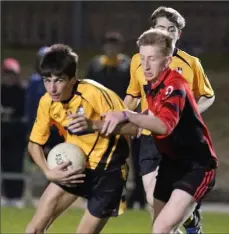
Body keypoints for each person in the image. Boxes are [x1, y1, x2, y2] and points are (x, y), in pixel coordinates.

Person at [98, 29, 217, 234]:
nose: (145, 65)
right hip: (170, 164)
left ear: (168, 61)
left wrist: (127, 113)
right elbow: (138, 125)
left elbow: (163, 125)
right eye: (142, 58)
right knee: (159, 228)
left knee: (162, 228)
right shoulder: (153, 85)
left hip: (196, 165)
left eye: (152, 59)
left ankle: (192, 221)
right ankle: (190, 223)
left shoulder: (175, 85)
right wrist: (91, 125)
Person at [25, 44, 131, 234]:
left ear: (73, 80)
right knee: (33, 229)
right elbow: (34, 143)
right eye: (47, 80)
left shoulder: (96, 94)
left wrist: (94, 124)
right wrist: (47, 172)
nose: (52, 88)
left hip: (108, 173)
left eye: (59, 80)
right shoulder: (47, 102)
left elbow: (135, 127)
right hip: (74, 165)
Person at [1, 58, 27, 208]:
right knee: (4, 164)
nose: (9, 77)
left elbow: (22, 111)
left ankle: (17, 197)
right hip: (3, 133)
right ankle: (6, 195)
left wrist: (8, 113)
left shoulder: (22, 91)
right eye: (7, 74)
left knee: (16, 163)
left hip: (17, 134)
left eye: (12, 74)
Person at [86, 31, 130, 99]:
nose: (111, 48)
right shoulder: (95, 64)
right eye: (108, 45)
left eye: (114, 45)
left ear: (120, 47)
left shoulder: (127, 65)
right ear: (103, 47)